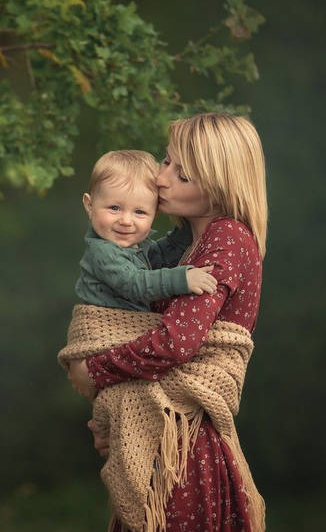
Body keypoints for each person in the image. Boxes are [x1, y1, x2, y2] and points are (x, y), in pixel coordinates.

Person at [66, 113, 268, 532]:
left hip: (185, 444)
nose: (161, 179)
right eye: (165, 161)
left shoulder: (226, 236)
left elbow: (175, 343)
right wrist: (115, 415)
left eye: (184, 174)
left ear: (219, 185)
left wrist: (95, 371)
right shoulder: (185, 242)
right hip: (164, 431)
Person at [75, 150, 217, 312]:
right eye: (114, 208)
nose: (126, 221)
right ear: (89, 205)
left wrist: (189, 226)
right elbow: (135, 283)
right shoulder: (103, 252)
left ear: (154, 214)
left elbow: (159, 257)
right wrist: (183, 279)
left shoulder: (136, 245)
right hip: (107, 331)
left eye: (139, 212)